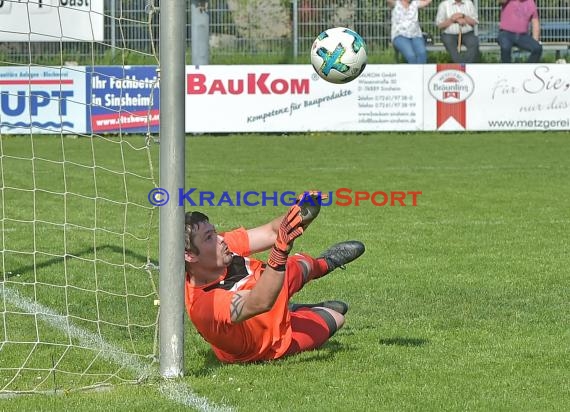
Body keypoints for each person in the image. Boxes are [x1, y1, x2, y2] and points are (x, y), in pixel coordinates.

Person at [184, 192, 365, 363]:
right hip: (267, 343)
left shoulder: (220, 248)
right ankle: (291, 310)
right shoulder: (205, 305)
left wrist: (301, 213)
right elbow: (260, 302)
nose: (221, 240)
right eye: (209, 238)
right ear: (190, 255)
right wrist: (279, 251)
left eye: (215, 233)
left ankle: (327, 263)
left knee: (301, 265)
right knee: (337, 317)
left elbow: (271, 232)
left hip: (271, 289)